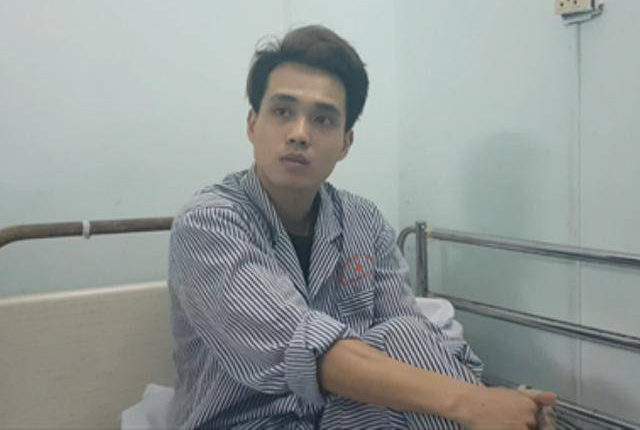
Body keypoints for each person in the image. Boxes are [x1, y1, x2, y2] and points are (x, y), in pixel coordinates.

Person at [167, 25, 557, 429]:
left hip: (342, 415)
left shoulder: (363, 221)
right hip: (249, 420)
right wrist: (472, 403)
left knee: (404, 333)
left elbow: (414, 338)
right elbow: (308, 350)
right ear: (253, 124)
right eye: (282, 112)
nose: (299, 134)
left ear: (345, 143)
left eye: (322, 120)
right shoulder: (209, 224)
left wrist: (495, 400)